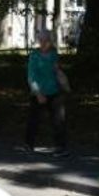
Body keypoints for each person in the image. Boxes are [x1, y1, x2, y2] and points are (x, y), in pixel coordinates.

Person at [25, 29, 69, 157]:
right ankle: (28, 144)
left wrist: (61, 78)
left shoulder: (54, 54)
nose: (43, 43)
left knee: (58, 120)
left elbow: (57, 71)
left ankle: (61, 146)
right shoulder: (34, 55)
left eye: (46, 40)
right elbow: (31, 76)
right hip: (38, 91)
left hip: (54, 91)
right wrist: (38, 93)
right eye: (41, 40)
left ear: (51, 41)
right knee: (33, 119)